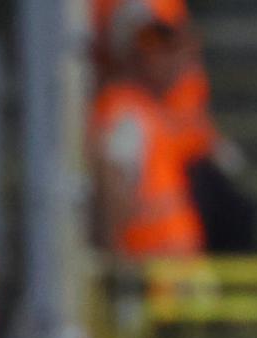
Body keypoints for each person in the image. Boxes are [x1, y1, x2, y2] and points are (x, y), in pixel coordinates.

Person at [91, 4, 203, 261]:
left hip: (166, 276)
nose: (165, 58)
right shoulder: (125, 110)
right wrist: (118, 268)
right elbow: (113, 185)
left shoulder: (148, 109)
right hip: (147, 275)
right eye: (153, 46)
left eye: (169, 47)